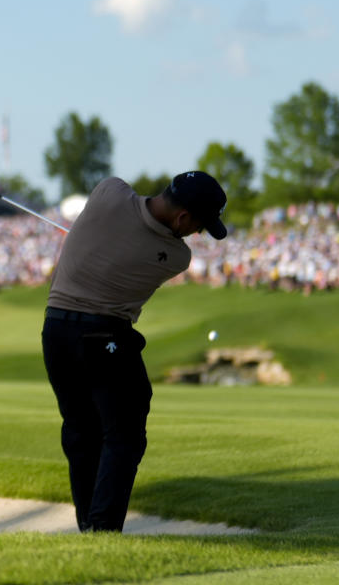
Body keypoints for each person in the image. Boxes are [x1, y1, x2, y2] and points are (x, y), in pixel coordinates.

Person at [42, 170, 228, 532]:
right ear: (183, 218)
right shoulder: (176, 256)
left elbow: (119, 206)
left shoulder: (108, 191)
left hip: (55, 333)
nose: (199, 234)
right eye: (201, 226)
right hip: (102, 337)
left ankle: (89, 525)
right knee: (124, 432)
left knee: (81, 430)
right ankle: (103, 530)